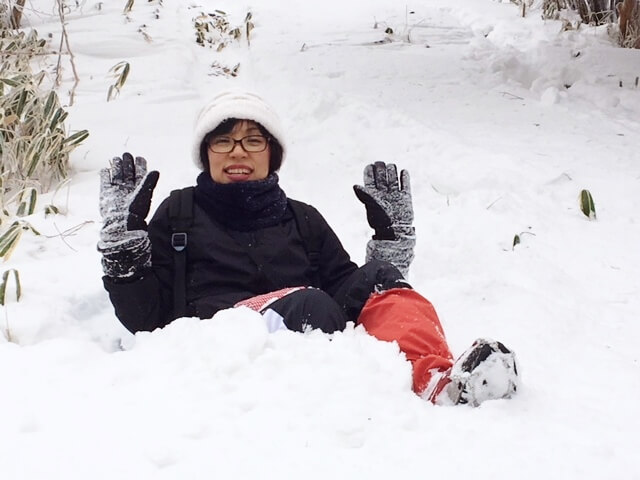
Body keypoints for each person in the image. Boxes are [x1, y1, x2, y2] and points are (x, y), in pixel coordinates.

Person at [98, 90, 518, 406]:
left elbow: (349, 290)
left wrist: (389, 251)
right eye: (222, 141)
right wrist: (122, 246)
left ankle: (439, 383)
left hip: (309, 332)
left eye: (253, 141)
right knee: (312, 305)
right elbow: (144, 318)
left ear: (272, 154)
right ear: (206, 154)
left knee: (381, 283)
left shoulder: (302, 218)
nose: (237, 152)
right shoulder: (180, 213)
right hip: (218, 348)